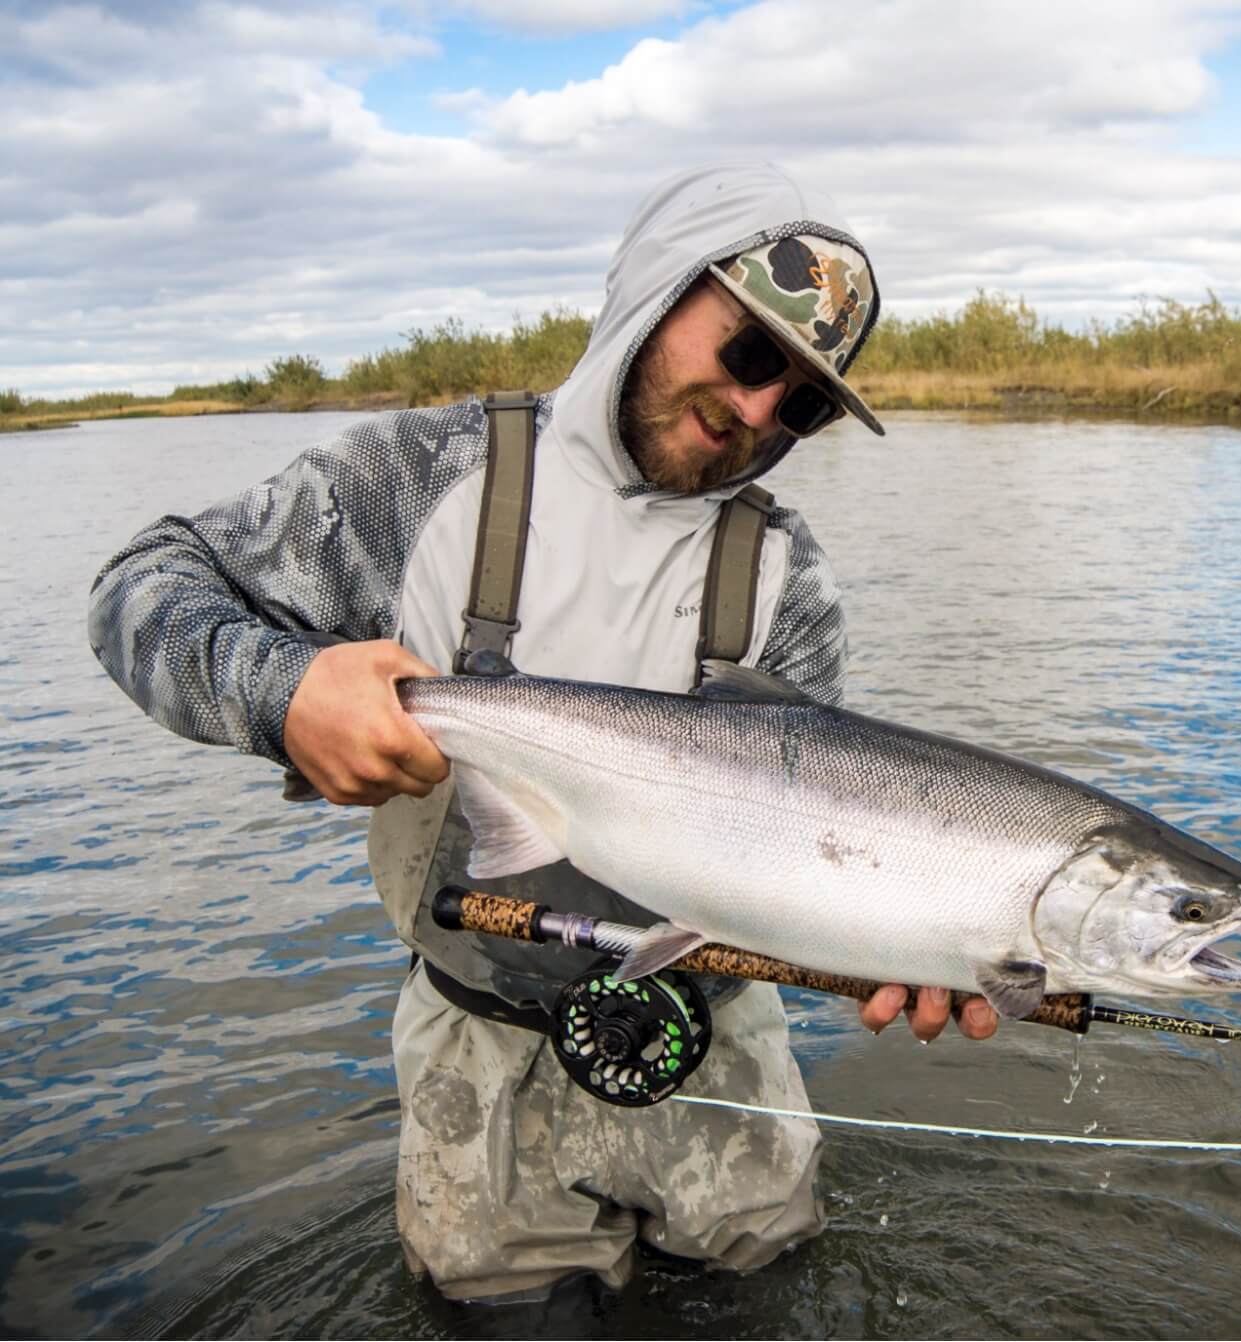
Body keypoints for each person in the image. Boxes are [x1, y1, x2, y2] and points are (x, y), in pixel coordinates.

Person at [87, 161, 996, 1303]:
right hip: (475, 1047)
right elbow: (140, 588)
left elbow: (822, 844)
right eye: (751, 353)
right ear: (657, 292)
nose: (759, 410)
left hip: (720, 1045)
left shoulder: (788, 575)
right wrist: (286, 693)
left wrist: (915, 940)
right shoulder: (413, 482)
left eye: (803, 402)